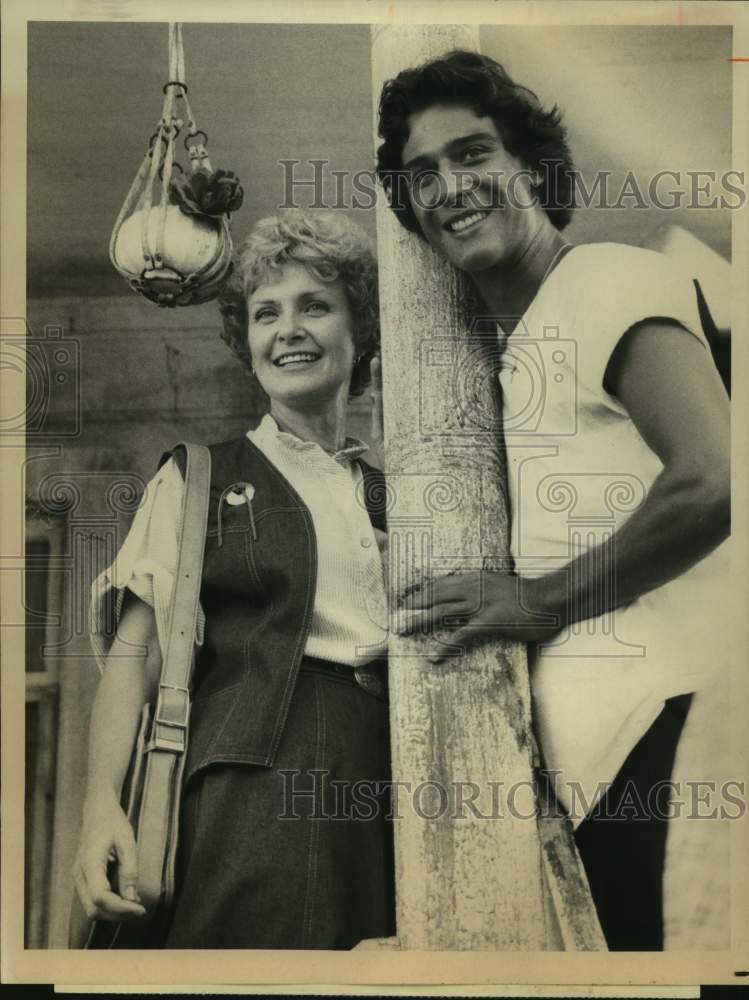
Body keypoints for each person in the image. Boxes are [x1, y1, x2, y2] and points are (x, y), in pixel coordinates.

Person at [375, 50, 731, 950]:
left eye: (473, 154)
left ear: (533, 168)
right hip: (604, 778)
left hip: (670, 737)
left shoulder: (604, 279)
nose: (449, 187)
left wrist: (538, 599)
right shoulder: (526, 339)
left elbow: (714, 479)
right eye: (422, 175)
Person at [73, 209, 395, 949]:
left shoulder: (394, 490)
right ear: (244, 339)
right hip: (255, 787)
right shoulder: (200, 477)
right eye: (265, 313)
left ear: (362, 330)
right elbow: (136, 655)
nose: (287, 329)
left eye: (315, 306)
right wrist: (100, 808)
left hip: (388, 778)